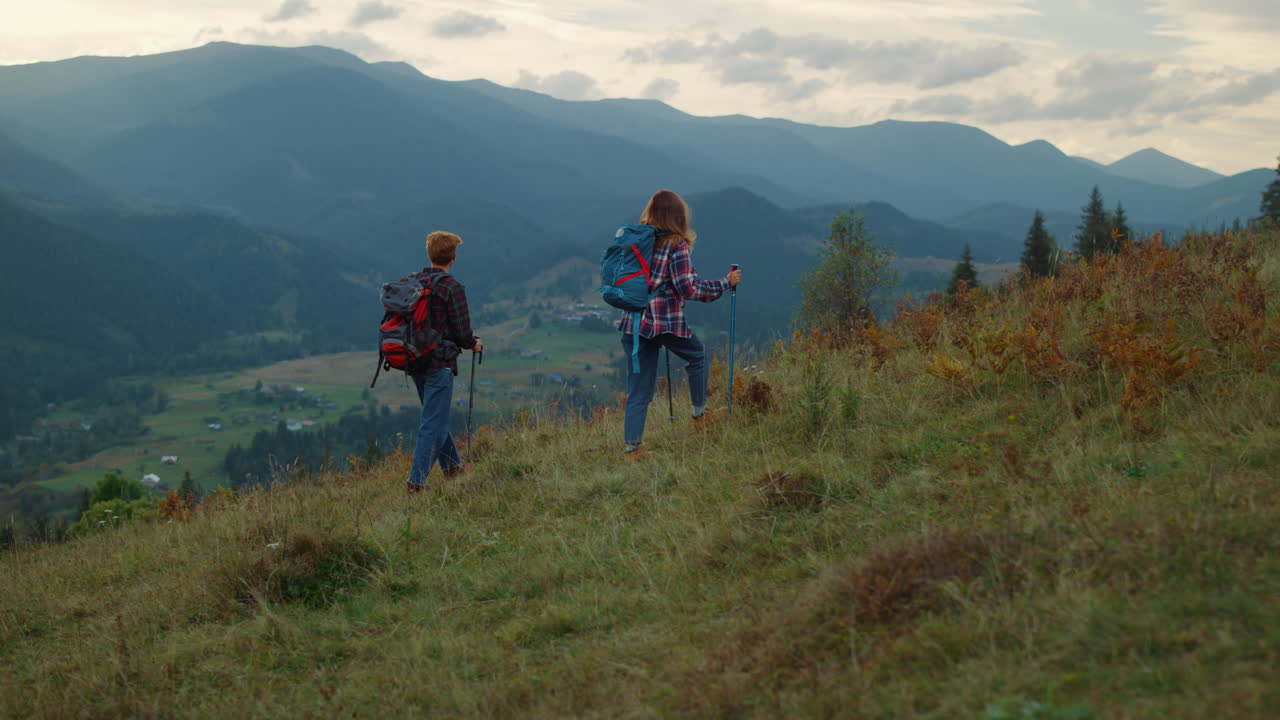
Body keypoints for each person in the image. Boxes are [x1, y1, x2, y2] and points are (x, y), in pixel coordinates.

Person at [617, 189, 742, 455]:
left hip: (633, 322)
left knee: (638, 389)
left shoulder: (637, 242)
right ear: (678, 216)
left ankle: (632, 449)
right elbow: (689, 288)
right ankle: (700, 417)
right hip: (663, 322)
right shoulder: (677, 245)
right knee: (697, 356)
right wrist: (724, 283)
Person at [407, 231, 483, 494]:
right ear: (453, 256)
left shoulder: (414, 282)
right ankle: (416, 485)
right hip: (439, 364)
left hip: (414, 360)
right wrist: (474, 343)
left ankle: (453, 469)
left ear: (430, 254)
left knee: (435, 419)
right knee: (432, 424)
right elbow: (463, 334)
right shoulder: (452, 287)